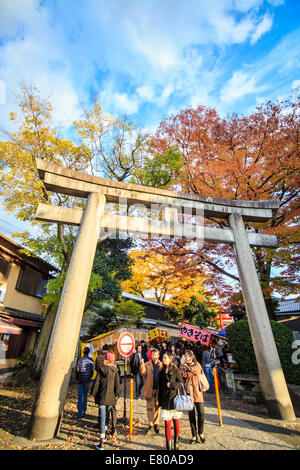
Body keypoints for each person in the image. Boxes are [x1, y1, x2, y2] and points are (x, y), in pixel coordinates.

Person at [93, 351, 120, 450]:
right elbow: (117, 386)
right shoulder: (115, 371)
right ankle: (105, 432)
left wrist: (94, 394)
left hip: (101, 397)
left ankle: (101, 439)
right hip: (111, 398)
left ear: (106, 360)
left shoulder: (100, 370)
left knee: (102, 417)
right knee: (107, 415)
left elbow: (96, 383)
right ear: (112, 361)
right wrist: (117, 395)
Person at [158, 350, 183, 450]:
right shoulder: (162, 370)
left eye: (165, 358)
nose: (163, 360)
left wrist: (171, 385)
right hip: (164, 399)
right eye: (163, 358)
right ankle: (168, 444)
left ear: (170, 358)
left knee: (176, 421)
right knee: (167, 423)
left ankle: (176, 441)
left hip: (174, 398)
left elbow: (180, 383)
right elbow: (160, 386)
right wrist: (159, 401)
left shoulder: (176, 370)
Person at [180, 349, 206, 444]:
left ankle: (201, 432)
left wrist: (189, 372)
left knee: (201, 413)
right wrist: (191, 373)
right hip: (188, 392)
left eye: (188, 356)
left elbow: (198, 371)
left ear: (191, 357)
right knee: (191, 415)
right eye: (185, 356)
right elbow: (183, 374)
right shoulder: (182, 366)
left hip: (198, 391)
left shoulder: (197, 364)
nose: (186, 358)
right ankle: (194, 434)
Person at [140, 348, 163, 435]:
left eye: (156, 355)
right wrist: (142, 364)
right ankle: (151, 424)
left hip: (158, 388)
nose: (155, 357)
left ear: (158, 355)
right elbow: (143, 373)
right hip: (149, 388)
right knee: (150, 407)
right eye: (153, 355)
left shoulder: (161, 364)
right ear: (151, 356)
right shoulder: (147, 364)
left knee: (157, 406)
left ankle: (156, 423)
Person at [76, 346, 95, 420]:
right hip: (87, 380)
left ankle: (79, 412)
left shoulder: (80, 361)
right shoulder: (91, 360)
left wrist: (77, 378)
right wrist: (90, 377)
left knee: (80, 396)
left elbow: (77, 370)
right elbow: (92, 370)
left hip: (81, 380)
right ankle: (84, 410)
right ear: (89, 352)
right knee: (85, 395)